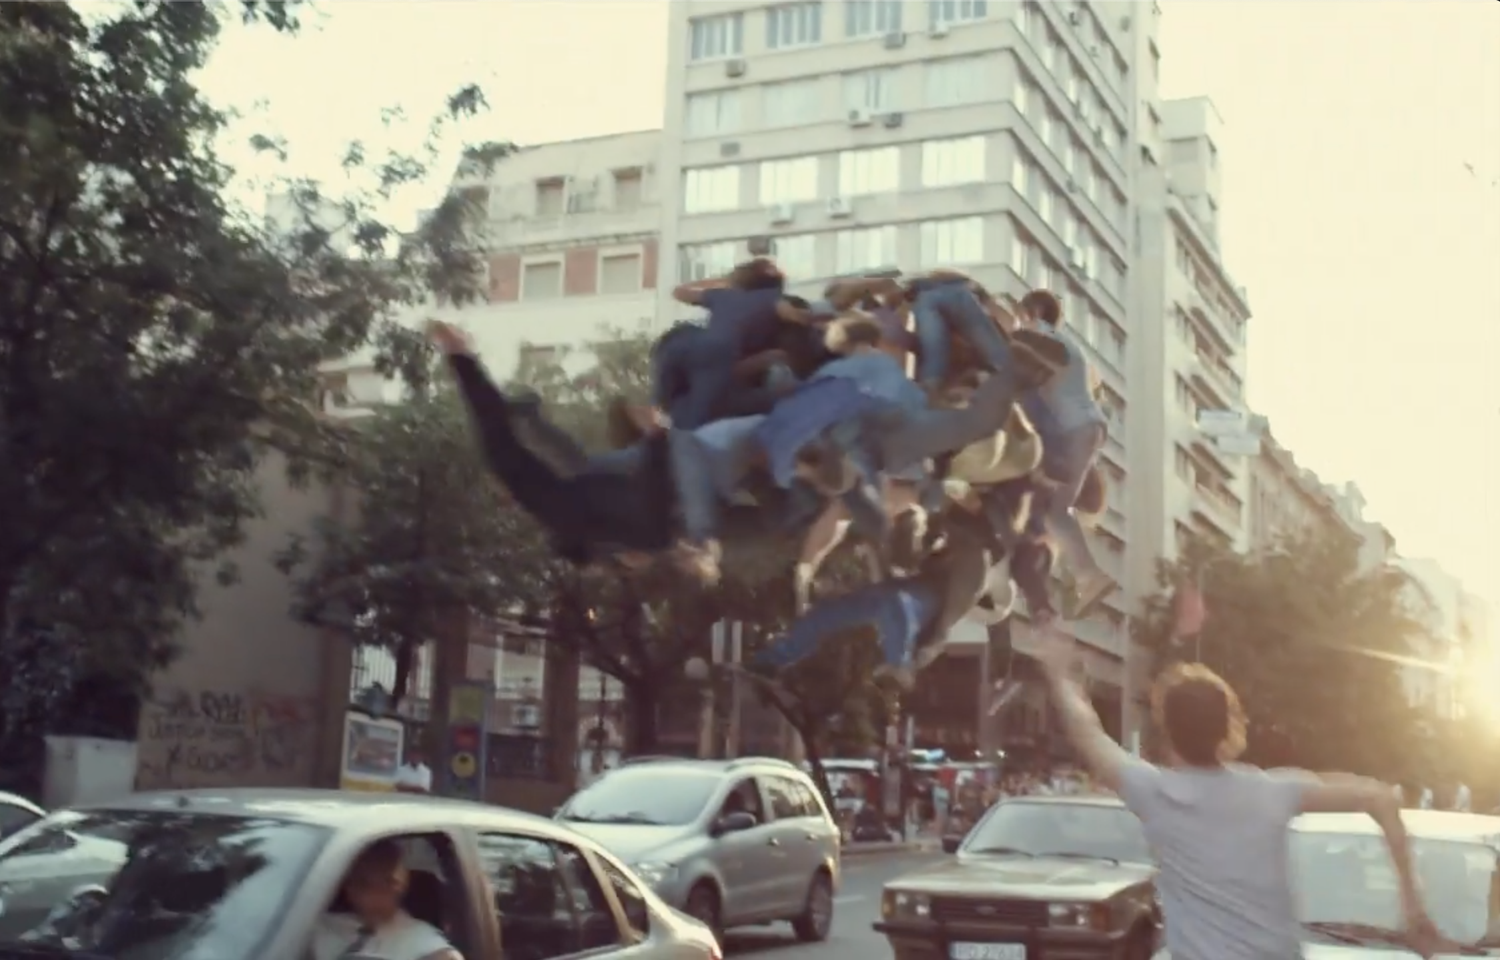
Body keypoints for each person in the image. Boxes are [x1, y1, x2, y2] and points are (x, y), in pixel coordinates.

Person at [1034, 628, 1445, 960]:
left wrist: (1058, 674)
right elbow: (1382, 799)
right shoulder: (1274, 793)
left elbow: (1086, 730)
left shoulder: (1154, 793)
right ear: (1226, 728)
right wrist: (1413, 905)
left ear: (1166, 730)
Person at [1015, 290, 1114, 616]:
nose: (1019, 320)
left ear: (1034, 312)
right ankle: (1080, 577)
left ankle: (1089, 576)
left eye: (1022, 313)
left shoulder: (1038, 336)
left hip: (1076, 429)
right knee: (1056, 507)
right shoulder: (1069, 344)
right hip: (1091, 426)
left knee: (1056, 511)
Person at [311, 839, 461, 960]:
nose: (377, 895)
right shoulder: (317, 929)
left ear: (402, 885)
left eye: (389, 884)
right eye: (365, 885)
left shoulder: (423, 941)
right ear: (349, 887)